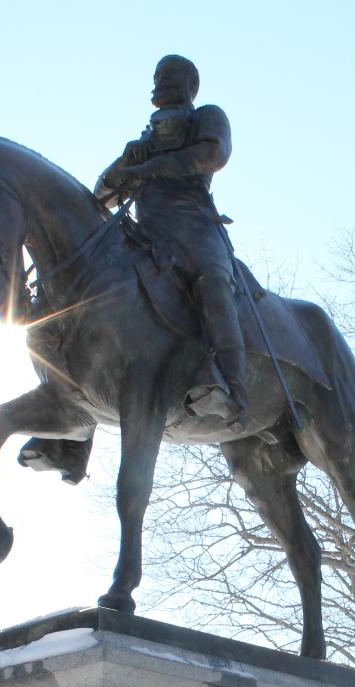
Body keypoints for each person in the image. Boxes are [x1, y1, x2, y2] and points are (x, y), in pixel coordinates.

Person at [95, 54, 249, 429]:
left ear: (191, 84)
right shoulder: (146, 138)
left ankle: (233, 390)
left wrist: (154, 166)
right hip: (148, 237)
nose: (161, 81)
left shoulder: (206, 117)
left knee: (213, 284)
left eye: (170, 75)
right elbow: (101, 196)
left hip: (194, 228)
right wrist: (124, 166)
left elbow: (214, 153)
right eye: (158, 75)